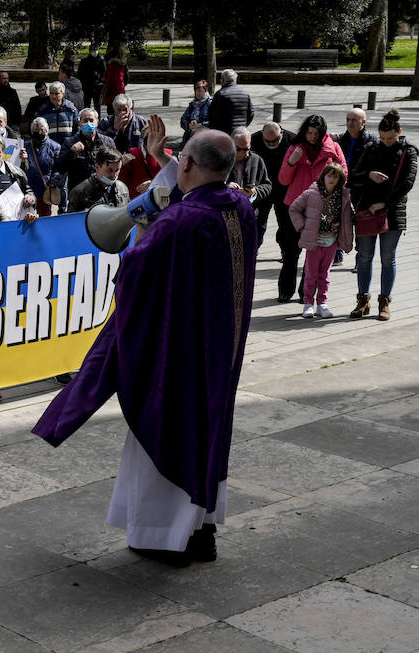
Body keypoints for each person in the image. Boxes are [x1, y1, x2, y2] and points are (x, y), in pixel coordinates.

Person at [34, 130, 254, 567]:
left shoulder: (177, 223)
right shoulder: (241, 208)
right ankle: (202, 531)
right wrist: (161, 160)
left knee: (166, 434)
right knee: (207, 436)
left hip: (175, 356)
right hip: (218, 354)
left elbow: (134, 274)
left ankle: (164, 540)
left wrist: (142, 227)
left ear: (188, 164)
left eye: (179, 159)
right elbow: (196, 200)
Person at [349, 108, 416, 320]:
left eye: (389, 138)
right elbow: (352, 176)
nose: (385, 141)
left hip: (393, 211)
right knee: (365, 257)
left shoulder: (409, 151)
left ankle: (384, 302)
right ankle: (362, 301)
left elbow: (407, 183)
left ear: (399, 132)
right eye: (382, 137)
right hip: (368, 211)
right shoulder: (371, 147)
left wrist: (384, 203)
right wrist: (369, 175)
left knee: (388, 258)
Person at [278, 114, 345, 303]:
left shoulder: (333, 149)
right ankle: (285, 290)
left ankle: (305, 294)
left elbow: (343, 174)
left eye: (316, 133)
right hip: (296, 206)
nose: (313, 137)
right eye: (309, 132)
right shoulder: (295, 147)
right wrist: (292, 161)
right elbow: (283, 179)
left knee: (313, 253)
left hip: (321, 208)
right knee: (291, 252)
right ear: (304, 131)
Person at [288, 162, 352, 320]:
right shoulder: (312, 193)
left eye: (335, 177)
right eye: (329, 175)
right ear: (323, 176)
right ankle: (308, 303)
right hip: (314, 242)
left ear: (340, 179)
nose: (332, 179)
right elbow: (294, 208)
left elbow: (348, 216)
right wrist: (302, 226)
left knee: (325, 274)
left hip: (332, 241)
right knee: (311, 274)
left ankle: (322, 303)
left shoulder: (343, 196)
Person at [251, 121, 297, 248]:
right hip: (261, 187)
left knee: (284, 222)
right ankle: (254, 249)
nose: (271, 144)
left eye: (275, 140)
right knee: (258, 221)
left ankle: (284, 248)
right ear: (262, 134)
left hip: (284, 189)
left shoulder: (292, 140)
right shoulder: (254, 140)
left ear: (281, 133)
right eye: (268, 141)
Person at [67, 145, 128, 213]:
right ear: (97, 167)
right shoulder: (80, 192)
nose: (114, 175)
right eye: (110, 170)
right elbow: (73, 221)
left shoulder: (122, 188)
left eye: (117, 170)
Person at [206, 69, 253, 133]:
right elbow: (251, 113)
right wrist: (243, 125)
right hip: (241, 132)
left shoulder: (220, 94)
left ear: (223, 81)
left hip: (225, 132)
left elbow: (212, 114)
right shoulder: (245, 93)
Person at [180, 80, 211, 147]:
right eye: (196, 91)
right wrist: (188, 125)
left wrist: (201, 124)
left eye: (200, 91)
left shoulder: (210, 104)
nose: (198, 93)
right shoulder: (193, 104)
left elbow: (215, 121)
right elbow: (183, 119)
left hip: (204, 133)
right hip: (190, 133)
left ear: (206, 91)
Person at [77, 44, 106, 115]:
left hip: (98, 86)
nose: (95, 51)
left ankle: (98, 120)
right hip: (87, 86)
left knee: (97, 105)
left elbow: (104, 72)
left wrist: (101, 82)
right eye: (93, 50)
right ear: (90, 51)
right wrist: (82, 82)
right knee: (86, 105)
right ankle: (85, 118)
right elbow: (80, 74)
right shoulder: (84, 60)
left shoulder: (101, 60)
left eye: (96, 49)